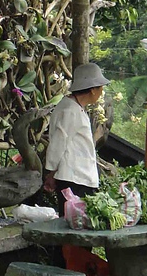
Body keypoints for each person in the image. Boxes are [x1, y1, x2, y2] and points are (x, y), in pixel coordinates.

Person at [43, 62, 109, 216]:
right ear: (92, 90)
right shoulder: (70, 110)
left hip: (79, 177)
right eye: (100, 88)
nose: (101, 92)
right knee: (75, 225)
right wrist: (51, 171)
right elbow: (58, 144)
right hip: (75, 179)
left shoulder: (74, 108)